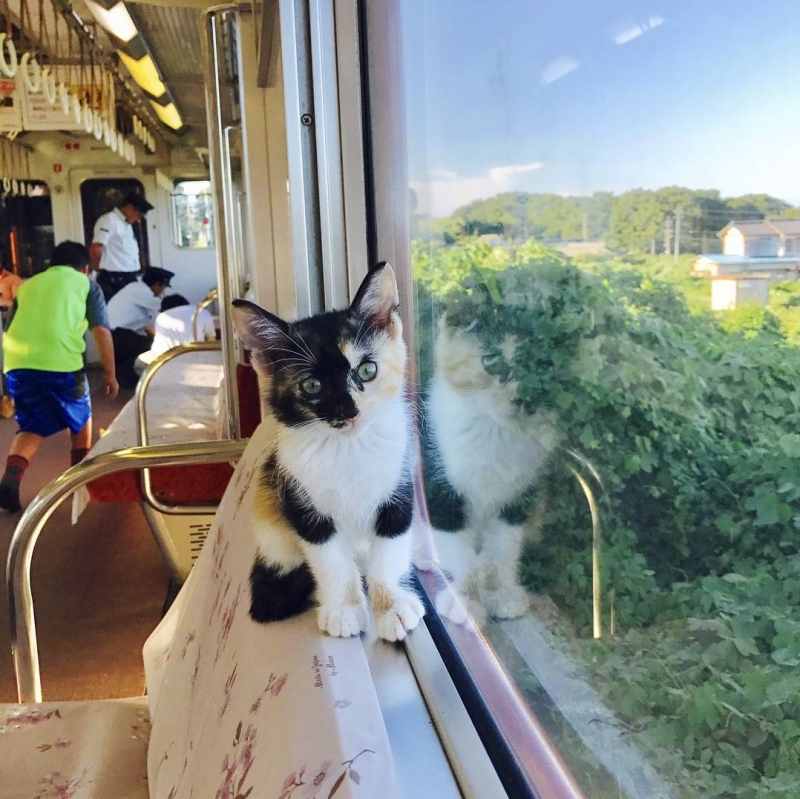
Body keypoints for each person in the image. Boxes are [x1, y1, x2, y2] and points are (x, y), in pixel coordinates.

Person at [0, 241, 118, 512]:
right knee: (81, 417)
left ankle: (11, 478)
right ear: (85, 268)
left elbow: (8, 330)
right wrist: (110, 374)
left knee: (32, 426)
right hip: (61, 364)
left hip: (18, 364)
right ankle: (78, 480)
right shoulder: (87, 285)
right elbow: (101, 331)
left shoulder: (27, 286)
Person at [107, 266, 174, 388]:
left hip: (115, 335)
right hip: (119, 336)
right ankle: (127, 375)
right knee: (159, 347)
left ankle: (126, 373)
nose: (163, 292)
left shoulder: (135, 288)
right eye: (163, 287)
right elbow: (168, 310)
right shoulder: (143, 294)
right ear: (156, 285)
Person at [90, 192, 154, 302]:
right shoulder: (109, 220)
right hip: (114, 277)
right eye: (138, 215)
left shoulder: (125, 224)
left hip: (128, 276)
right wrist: (98, 271)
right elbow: (96, 248)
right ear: (129, 207)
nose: (138, 219)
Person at [135, 294, 217, 374]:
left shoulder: (162, 317)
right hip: (194, 358)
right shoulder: (203, 312)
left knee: (139, 364)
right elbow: (212, 340)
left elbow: (151, 331)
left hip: (164, 361)